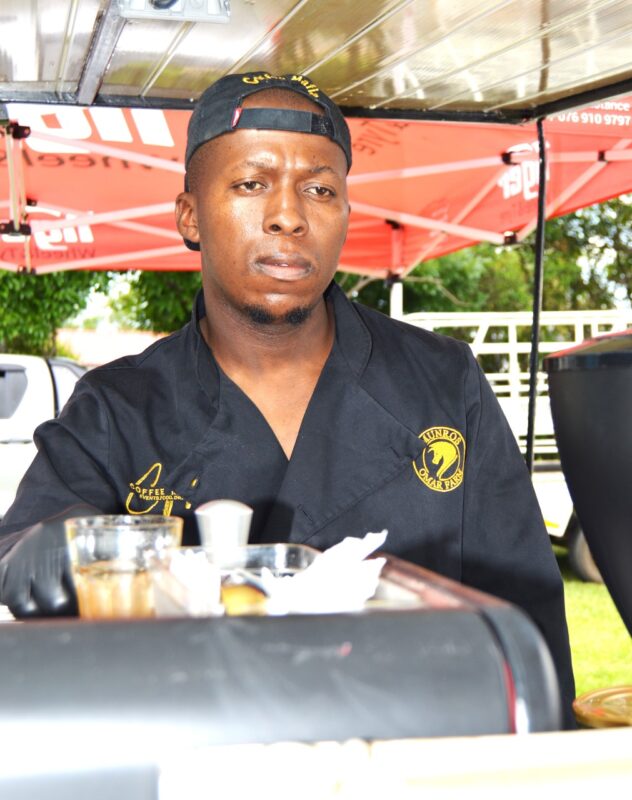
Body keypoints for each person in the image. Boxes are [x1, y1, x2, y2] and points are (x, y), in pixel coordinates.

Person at [0, 72, 575, 725]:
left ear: (345, 215)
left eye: (320, 189)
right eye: (251, 184)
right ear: (189, 215)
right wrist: (53, 543)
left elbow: (528, 625)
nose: (288, 214)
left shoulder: (444, 384)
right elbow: (25, 536)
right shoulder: (115, 406)